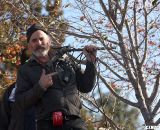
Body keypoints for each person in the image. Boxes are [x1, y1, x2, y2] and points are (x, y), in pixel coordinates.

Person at [15, 23, 97, 130]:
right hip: (47, 125)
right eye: (34, 40)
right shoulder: (25, 70)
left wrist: (91, 62)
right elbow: (21, 102)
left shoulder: (66, 60)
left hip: (76, 124)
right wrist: (40, 86)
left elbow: (85, 86)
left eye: (41, 39)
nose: (38, 43)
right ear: (29, 46)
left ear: (49, 41)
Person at [0, 48, 36, 130]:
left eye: (35, 61)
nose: (31, 65)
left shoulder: (52, 86)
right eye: (27, 61)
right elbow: (3, 121)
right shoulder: (11, 91)